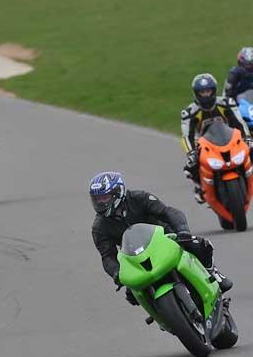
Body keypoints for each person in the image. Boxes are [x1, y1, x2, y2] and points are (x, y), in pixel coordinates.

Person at [89, 171, 232, 308]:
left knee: (197, 244)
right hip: (135, 257)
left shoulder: (139, 198)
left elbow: (168, 212)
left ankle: (213, 272)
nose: (100, 203)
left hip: (165, 238)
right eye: (97, 199)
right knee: (132, 294)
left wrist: (182, 231)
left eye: (104, 198)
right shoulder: (99, 227)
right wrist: (117, 272)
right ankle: (159, 312)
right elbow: (107, 256)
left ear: (118, 192)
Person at [181, 73, 251, 204]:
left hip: (229, 139)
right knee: (190, 165)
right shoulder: (189, 112)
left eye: (208, 91)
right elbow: (186, 136)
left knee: (250, 149)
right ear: (196, 94)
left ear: (214, 91)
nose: (206, 95)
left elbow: (240, 123)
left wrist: (247, 138)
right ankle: (198, 186)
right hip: (204, 144)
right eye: (202, 92)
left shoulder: (226, 103)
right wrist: (191, 153)